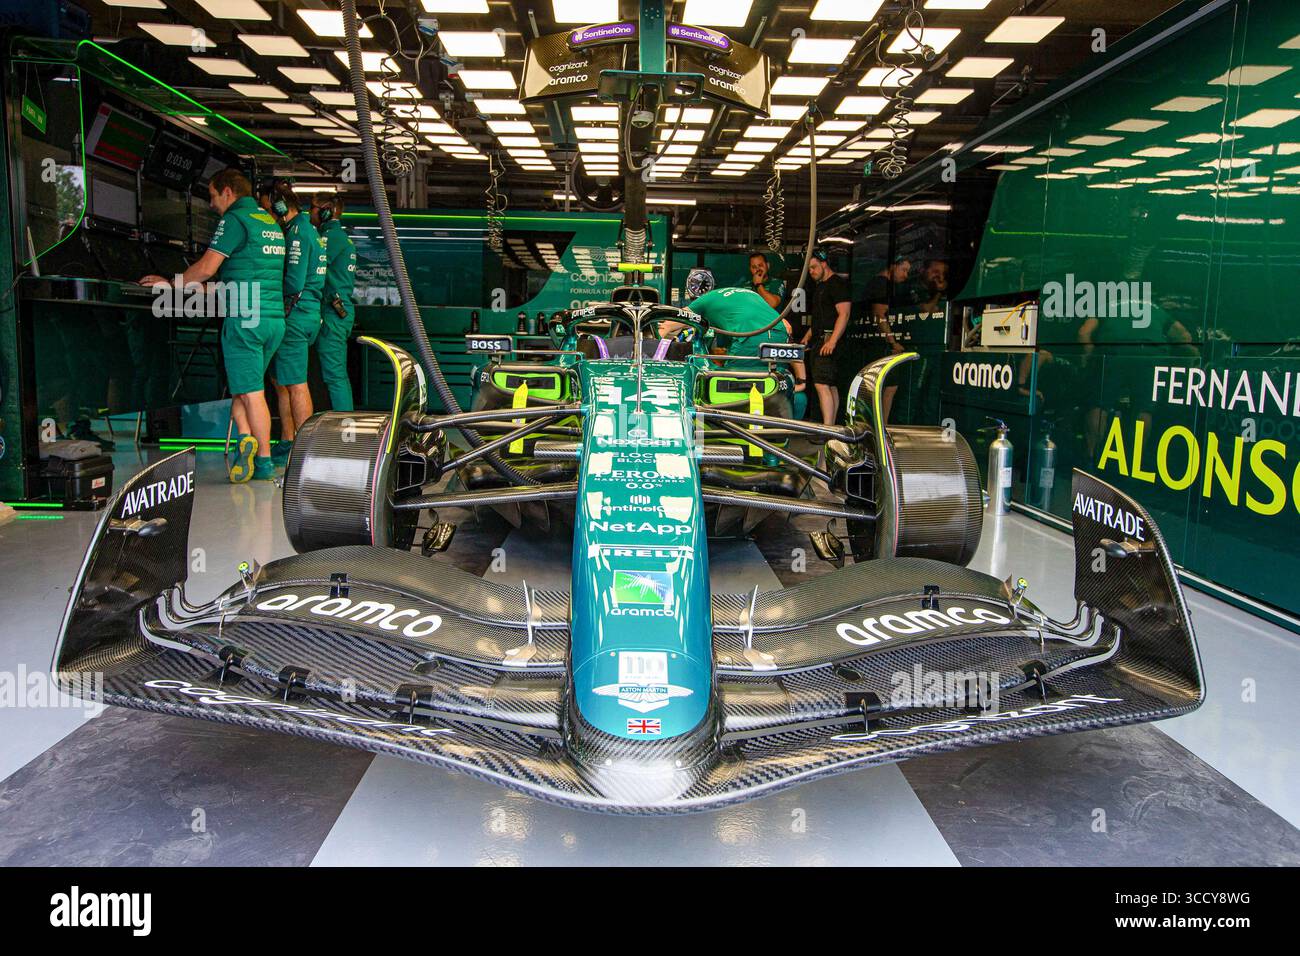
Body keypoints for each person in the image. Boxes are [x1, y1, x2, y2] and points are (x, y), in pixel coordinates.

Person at [139, 168, 285, 482]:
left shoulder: (234, 220)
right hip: (273, 319)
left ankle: (263, 461)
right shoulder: (268, 222)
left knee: (252, 393)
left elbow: (207, 268)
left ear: (228, 192)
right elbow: (240, 277)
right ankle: (243, 438)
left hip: (246, 318)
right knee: (243, 389)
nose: (212, 204)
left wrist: (171, 284)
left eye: (213, 196)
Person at [258, 180, 326, 464]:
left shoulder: (298, 232)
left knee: (296, 383)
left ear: (280, 205)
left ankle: (305, 450)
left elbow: (293, 283)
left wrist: (270, 302)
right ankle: (288, 439)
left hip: (296, 315)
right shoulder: (305, 230)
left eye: (267, 208)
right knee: (281, 381)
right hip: (307, 314)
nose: (268, 215)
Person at [311, 192, 357, 411]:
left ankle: (344, 428)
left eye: (313, 207)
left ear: (327, 210)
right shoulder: (334, 236)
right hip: (332, 311)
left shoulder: (331, 238)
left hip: (333, 312)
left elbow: (312, 267)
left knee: (335, 375)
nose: (309, 212)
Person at [861, 256, 912, 423]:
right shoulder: (881, 284)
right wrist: (893, 342)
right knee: (888, 386)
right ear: (893, 266)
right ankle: (880, 426)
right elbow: (879, 315)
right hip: (881, 345)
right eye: (903, 270)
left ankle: (879, 425)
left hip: (877, 343)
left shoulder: (880, 284)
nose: (906, 275)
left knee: (887, 386)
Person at [804, 250, 851, 425]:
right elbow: (821, 317)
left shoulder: (837, 284)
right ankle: (830, 425)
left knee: (822, 384)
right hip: (820, 339)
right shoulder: (820, 287)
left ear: (824, 263)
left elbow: (844, 314)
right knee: (829, 385)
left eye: (814, 267)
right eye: (809, 269)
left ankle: (827, 427)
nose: (812, 271)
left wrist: (832, 341)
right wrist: (808, 336)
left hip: (829, 340)